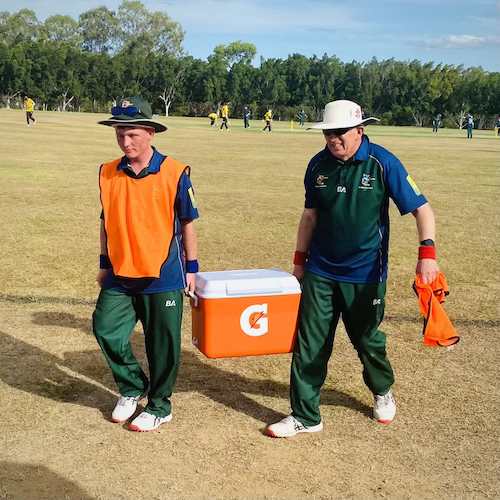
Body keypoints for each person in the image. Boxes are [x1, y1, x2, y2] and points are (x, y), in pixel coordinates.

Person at [266, 99, 439, 438]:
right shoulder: (318, 165)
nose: (333, 139)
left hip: (365, 274)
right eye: (328, 133)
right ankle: (305, 415)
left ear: (360, 129)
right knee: (310, 342)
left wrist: (427, 254)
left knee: (367, 341)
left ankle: (381, 389)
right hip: (320, 271)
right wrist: (300, 263)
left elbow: (423, 210)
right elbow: (310, 217)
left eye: (340, 132)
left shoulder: (382, 162)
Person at [93, 97, 199, 432]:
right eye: (120, 134)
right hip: (119, 273)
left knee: (162, 344)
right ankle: (131, 386)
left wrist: (192, 268)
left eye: (133, 134)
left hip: (163, 274)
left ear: (150, 132)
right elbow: (105, 221)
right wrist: (103, 262)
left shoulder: (174, 171)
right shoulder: (107, 171)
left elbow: (187, 223)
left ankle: (160, 405)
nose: (126, 142)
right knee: (105, 328)